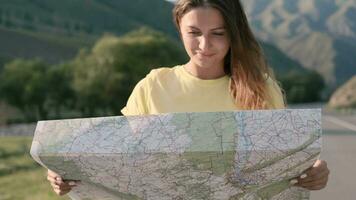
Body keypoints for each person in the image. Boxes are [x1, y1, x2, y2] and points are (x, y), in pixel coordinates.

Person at [47, 0, 330, 196]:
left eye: (218, 34)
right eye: (193, 33)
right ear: (179, 30)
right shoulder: (153, 86)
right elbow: (120, 164)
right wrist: (65, 177)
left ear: (234, 34)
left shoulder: (261, 89)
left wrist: (313, 172)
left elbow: (284, 162)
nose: (204, 46)